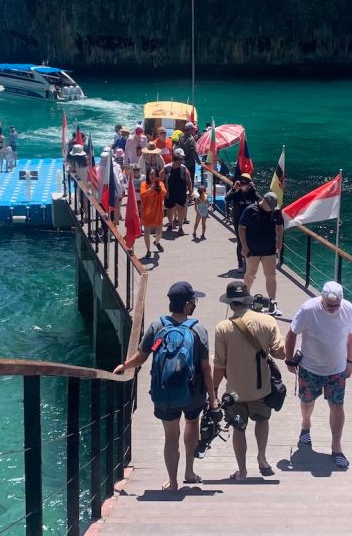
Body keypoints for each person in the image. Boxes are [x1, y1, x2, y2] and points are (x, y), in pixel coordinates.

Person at [113, 282, 216, 491]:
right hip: (193, 392)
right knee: (191, 424)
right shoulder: (198, 329)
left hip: (165, 391)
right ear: (187, 305)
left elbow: (141, 357)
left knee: (171, 436)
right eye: (193, 301)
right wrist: (212, 398)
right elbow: (206, 368)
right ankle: (189, 471)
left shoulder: (157, 326)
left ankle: (173, 482)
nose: (195, 304)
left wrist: (124, 366)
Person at [213, 280, 286, 480]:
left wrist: (214, 390)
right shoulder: (268, 321)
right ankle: (262, 458)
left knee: (238, 427)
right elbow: (281, 353)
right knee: (262, 420)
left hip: (235, 390)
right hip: (260, 387)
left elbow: (219, 365)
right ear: (248, 300)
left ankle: (242, 471)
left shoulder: (222, 328)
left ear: (230, 304)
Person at [285, 281, 352, 470]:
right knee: (307, 401)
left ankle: (336, 446)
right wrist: (289, 359)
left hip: (337, 369)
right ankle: (306, 424)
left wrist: (350, 362)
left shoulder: (348, 309)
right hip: (310, 367)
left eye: (336, 304)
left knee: (337, 406)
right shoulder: (308, 309)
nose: (334, 308)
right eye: (330, 305)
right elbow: (292, 333)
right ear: (322, 299)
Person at [239, 191, 284, 315]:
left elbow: (280, 225)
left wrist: (279, 241)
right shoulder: (250, 210)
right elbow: (242, 228)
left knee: (271, 275)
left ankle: (273, 303)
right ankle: (246, 301)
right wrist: (244, 246)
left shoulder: (275, 211)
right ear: (264, 201)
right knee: (250, 274)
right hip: (252, 249)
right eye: (270, 206)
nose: (271, 210)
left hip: (269, 249)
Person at [225, 174, 259, 271]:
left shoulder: (252, 192)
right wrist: (234, 188)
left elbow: (260, 200)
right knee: (240, 242)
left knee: (250, 242)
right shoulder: (237, 192)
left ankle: (249, 262)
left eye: (246, 183)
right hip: (239, 221)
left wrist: (254, 188)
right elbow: (227, 198)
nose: (243, 185)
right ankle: (240, 263)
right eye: (242, 183)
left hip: (251, 221)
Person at [163, 148, 192, 235]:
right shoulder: (167, 168)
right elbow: (160, 179)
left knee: (181, 209)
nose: (180, 163)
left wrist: (190, 191)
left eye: (181, 161)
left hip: (181, 192)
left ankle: (180, 227)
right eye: (178, 161)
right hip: (170, 192)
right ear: (174, 161)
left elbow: (189, 181)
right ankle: (170, 224)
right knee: (170, 209)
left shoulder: (184, 169)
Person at [139, 168, 166, 258]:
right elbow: (142, 195)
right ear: (148, 175)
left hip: (157, 210)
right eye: (151, 174)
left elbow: (164, 193)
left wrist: (159, 189)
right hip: (147, 211)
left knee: (159, 232)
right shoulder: (144, 184)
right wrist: (150, 189)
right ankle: (148, 250)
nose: (153, 176)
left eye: (154, 174)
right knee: (146, 231)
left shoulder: (160, 184)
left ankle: (157, 242)